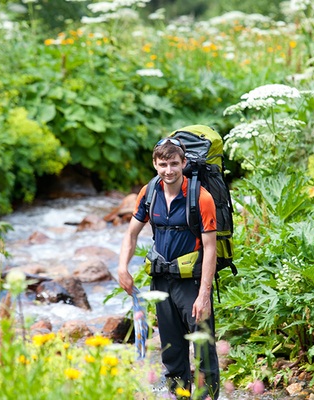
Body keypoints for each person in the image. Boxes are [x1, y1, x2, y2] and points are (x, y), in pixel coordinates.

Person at [118, 137, 220, 400]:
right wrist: (122, 267)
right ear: (155, 164)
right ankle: (180, 397)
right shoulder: (149, 192)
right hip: (161, 281)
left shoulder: (201, 197)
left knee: (203, 348)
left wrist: (204, 295)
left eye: (174, 164)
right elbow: (131, 234)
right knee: (171, 350)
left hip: (192, 283)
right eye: (163, 164)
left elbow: (210, 248)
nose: (169, 170)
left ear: (184, 163)